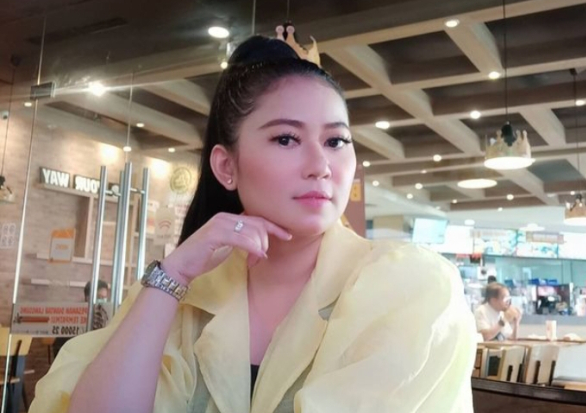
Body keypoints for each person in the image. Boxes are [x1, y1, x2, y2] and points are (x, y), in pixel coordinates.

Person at [30, 32, 476, 413]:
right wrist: (173, 275)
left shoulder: (411, 286)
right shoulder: (182, 297)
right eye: (286, 138)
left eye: (336, 140)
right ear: (227, 166)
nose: (320, 165)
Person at [51, 280, 110, 358]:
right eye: (98, 297)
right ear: (87, 298)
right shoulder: (75, 319)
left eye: (104, 298)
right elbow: (59, 348)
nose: (102, 302)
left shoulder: (107, 318)